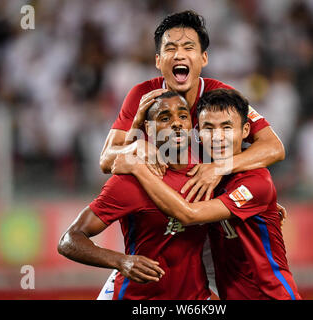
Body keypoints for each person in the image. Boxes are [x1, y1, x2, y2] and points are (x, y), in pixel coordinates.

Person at [112, 89, 301, 300]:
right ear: (198, 133)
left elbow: (190, 215)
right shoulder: (199, 163)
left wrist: (138, 168)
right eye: (208, 128)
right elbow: (116, 159)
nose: (217, 137)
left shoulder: (256, 183)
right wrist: (138, 134)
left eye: (227, 127)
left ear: (245, 130)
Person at [99, 10, 285, 203]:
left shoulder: (222, 96)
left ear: (204, 58)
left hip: (208, 208)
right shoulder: (142, 95)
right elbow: (106, 160)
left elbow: (274, 147)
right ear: (158, 60)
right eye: (170, 48)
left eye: (188, 47)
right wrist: (136, 146)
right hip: (161, 206)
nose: (179, 55)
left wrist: (221, 166)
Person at [58, 92, 212, 300]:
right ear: (149, 129)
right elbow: (69, 240)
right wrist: (121, 261)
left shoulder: (208, 176)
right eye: (165, 118)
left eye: (183, 116)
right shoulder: (130, 180)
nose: (176, 123)